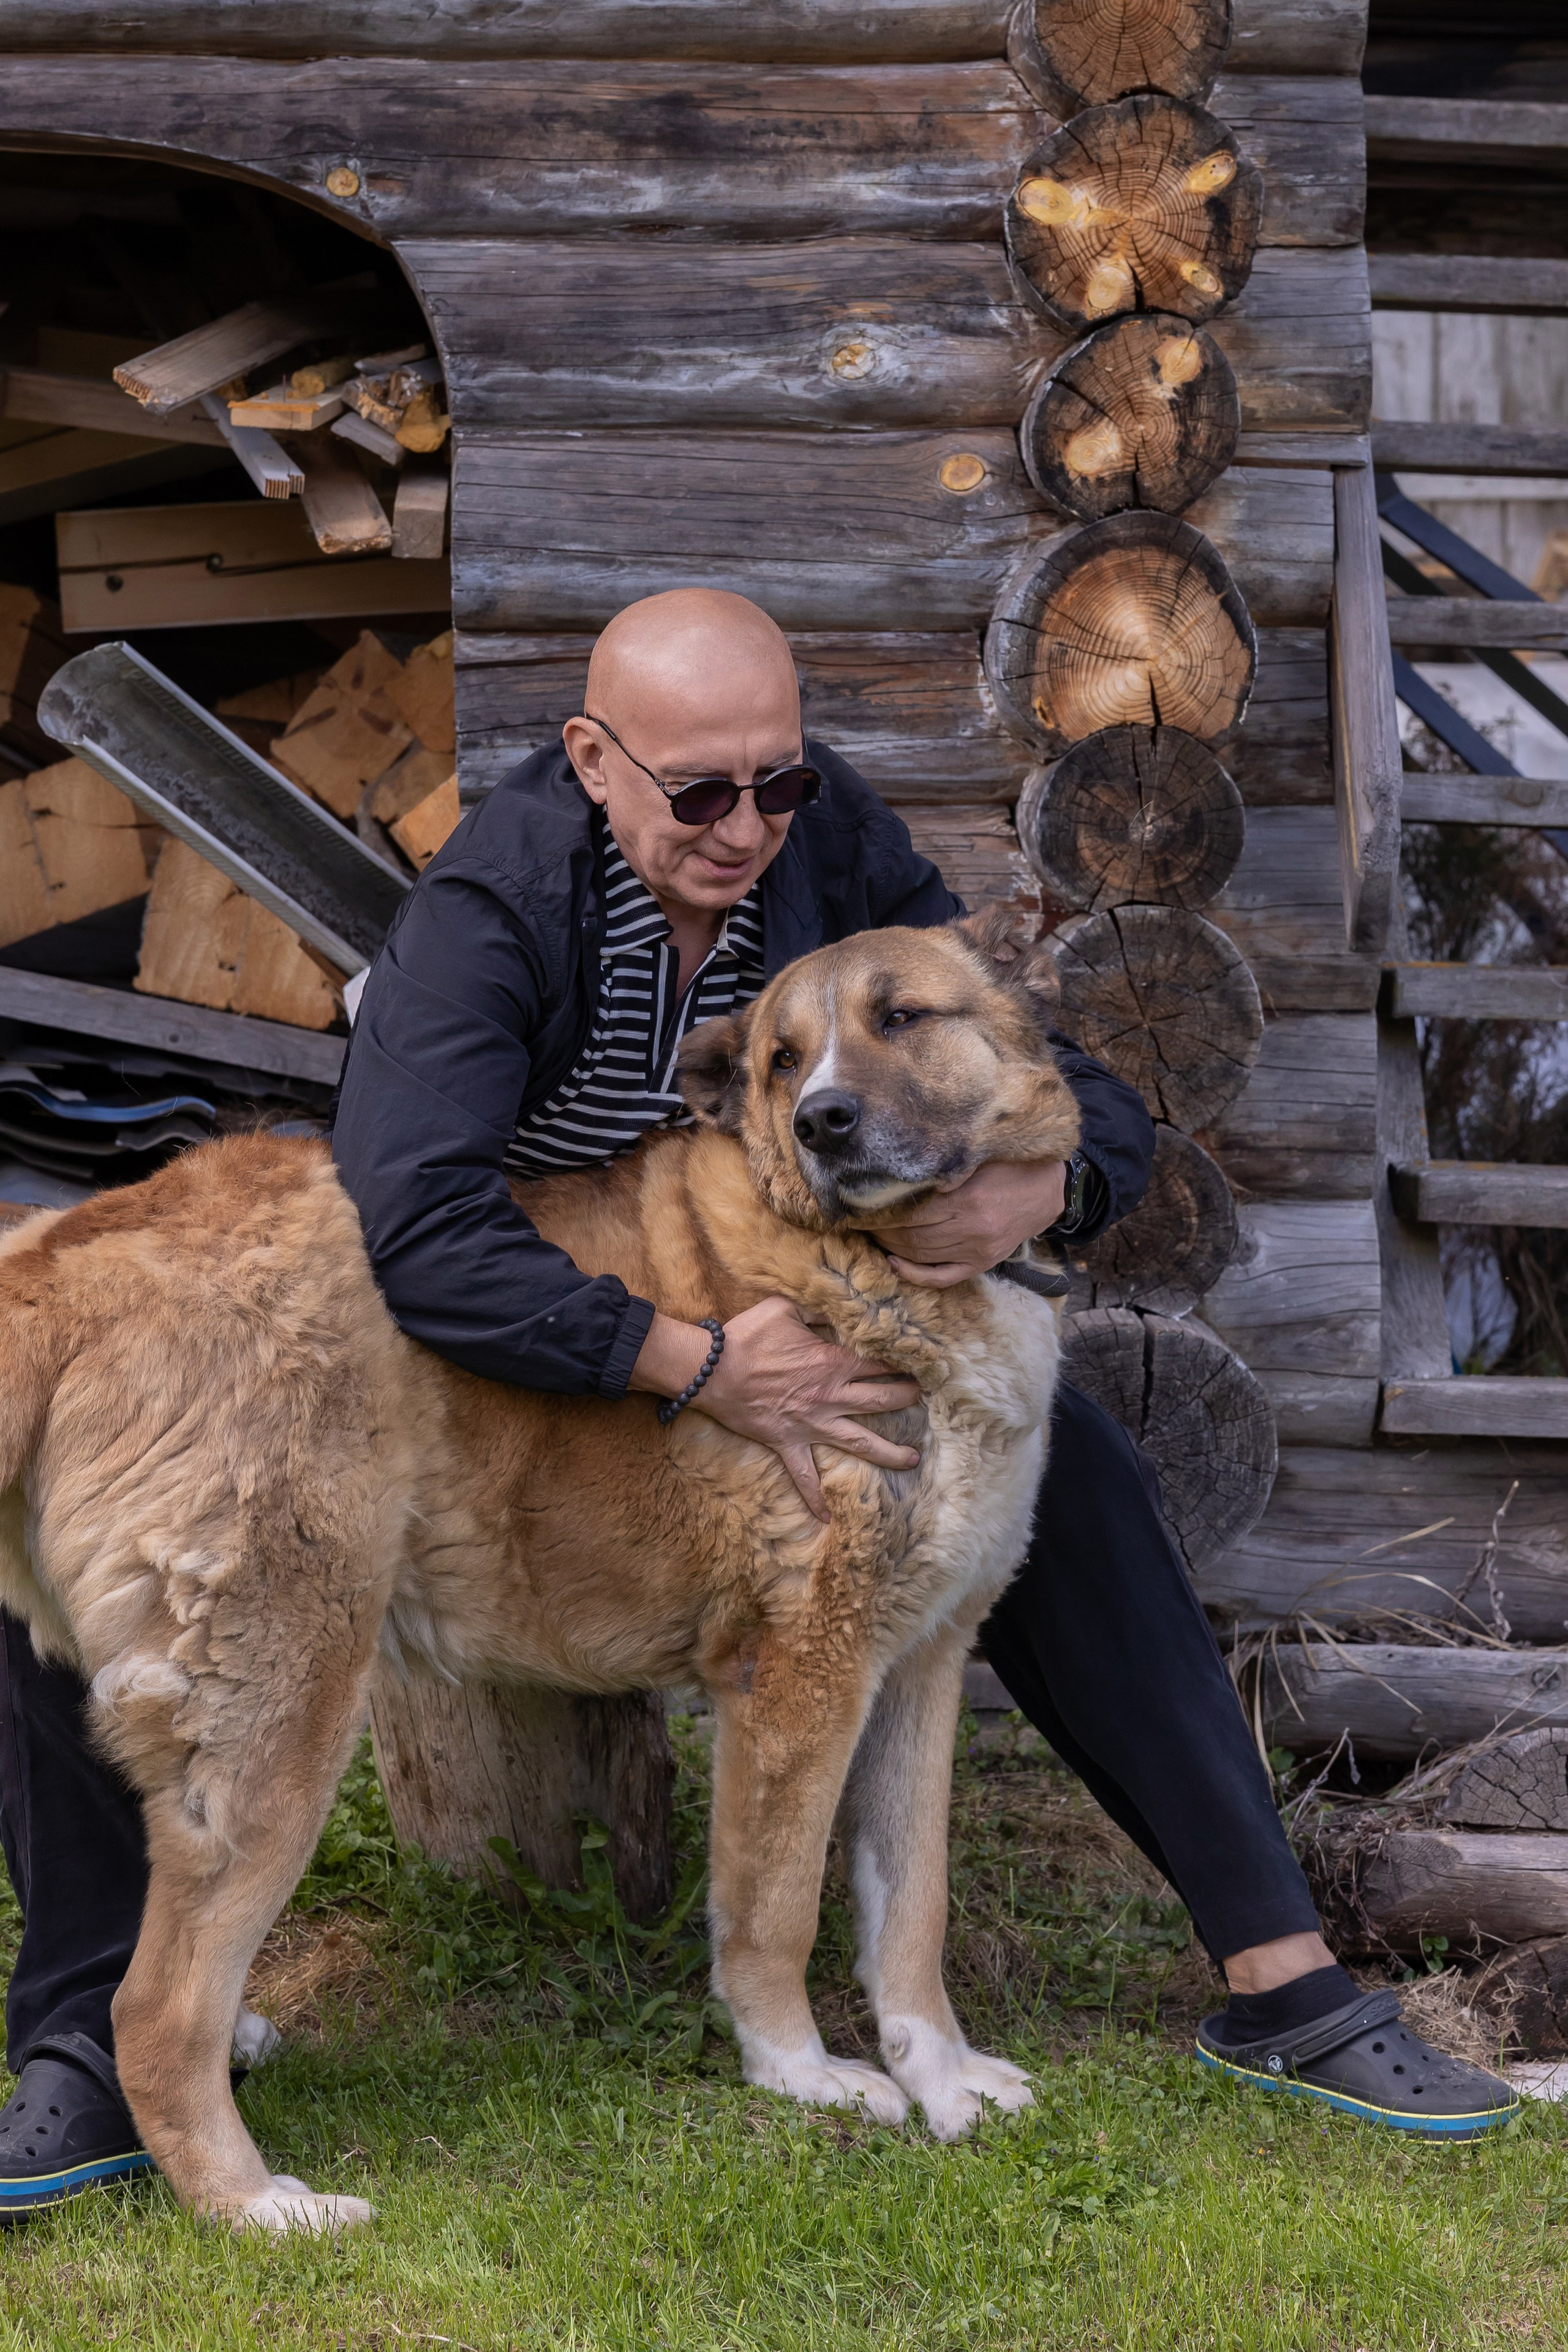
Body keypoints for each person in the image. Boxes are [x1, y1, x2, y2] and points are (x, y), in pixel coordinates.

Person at [0, 592, 1513, 2213]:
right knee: (133, 1554)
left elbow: (1036, 1055)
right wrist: (703, 1361)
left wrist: (1046, 1187)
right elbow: (417, 1226)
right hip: (487, 1325)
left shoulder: (827, 836)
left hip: (765, 1279)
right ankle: (96, 2042)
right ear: (594, 762)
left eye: (775, 784)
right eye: (700, 793)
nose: (748, 827)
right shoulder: (495, 905)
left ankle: (1284, 1979)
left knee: (1074, 1480)